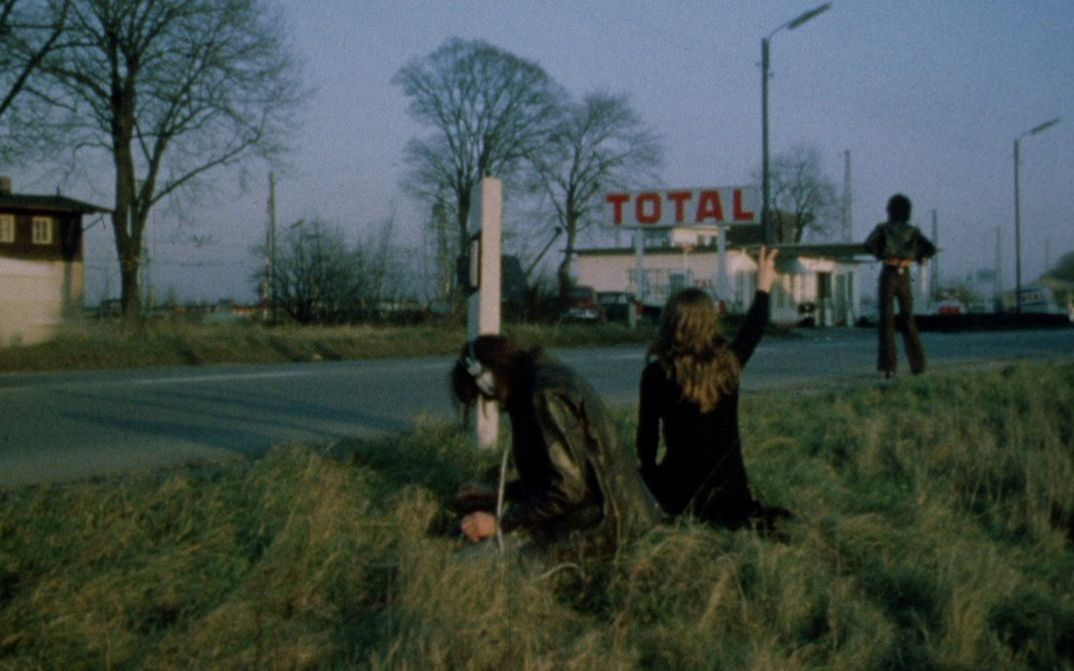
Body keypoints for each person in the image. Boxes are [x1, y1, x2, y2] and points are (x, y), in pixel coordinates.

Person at [451, 334, 663, 558]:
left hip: (609, 525)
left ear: (489, 381)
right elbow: (555, 476)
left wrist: (500, 522)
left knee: (469, 559)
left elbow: (566, 489)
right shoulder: (541, 377)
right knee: (463, 536)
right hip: (611, 512)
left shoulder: (544, 397)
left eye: (486, 396)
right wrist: (500, 494)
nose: (493, 402)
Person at [636, 246, 790, 531]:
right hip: (730, 492)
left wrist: (648, 479)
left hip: (680, 491)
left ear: (669, 323)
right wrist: (763, 285)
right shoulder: (728, 364)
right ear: (710, 323)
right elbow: (753, 329)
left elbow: (647, 439)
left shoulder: (656, 373)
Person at [863, 194, 937, 377]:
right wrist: (916, 257)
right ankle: (918, 366)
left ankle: (888, 367)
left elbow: (868, 245)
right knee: (908, 320)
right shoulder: (912, 231)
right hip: (905, 274)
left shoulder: (883, 228)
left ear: (890, 210)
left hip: (888, 272)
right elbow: (930, 248)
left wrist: (882, 254)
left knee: (886, 321)